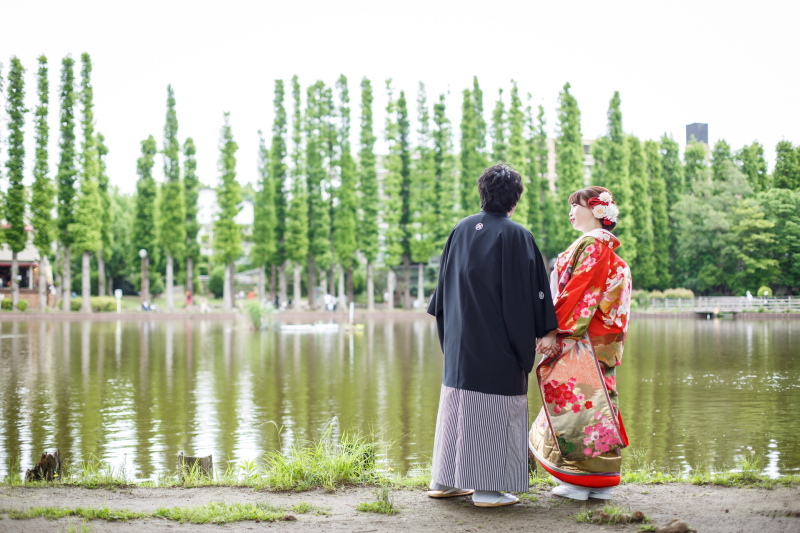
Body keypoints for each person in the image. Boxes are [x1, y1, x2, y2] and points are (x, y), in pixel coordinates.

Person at [427, 164, 559, 508]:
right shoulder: (516, 235)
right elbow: (532, 292)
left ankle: (444, 481)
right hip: (496, 345)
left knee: (456, 407)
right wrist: (546, 328)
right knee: (493, 410)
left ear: (482, 193)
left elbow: (441, 292)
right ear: (514, 200)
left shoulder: (460, 229)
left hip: (459, 341)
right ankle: (486, 490)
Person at [529, 186, 633, 501]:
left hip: (582, 341)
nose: (571, 211)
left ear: (596, 210)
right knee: (596, 407)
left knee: (580, 410)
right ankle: (597, 479)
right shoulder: (605, 250)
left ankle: (579, 479)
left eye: (577, 205)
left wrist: (552, 331)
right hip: (600, 343)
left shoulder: (593, 246)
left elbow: (579, 294)